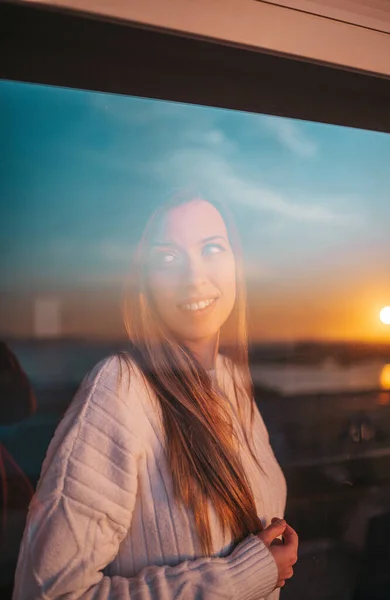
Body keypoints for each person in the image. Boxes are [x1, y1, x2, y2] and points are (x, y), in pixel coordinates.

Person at [13, 195, 298, 599]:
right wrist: (243, 576)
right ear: (143, 281)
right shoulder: (120, 389)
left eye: (212, 249)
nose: (193, 276)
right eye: (168, 259)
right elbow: (46, 593)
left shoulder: (232, 382)